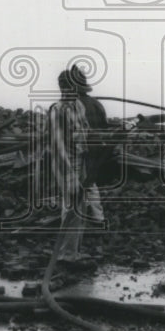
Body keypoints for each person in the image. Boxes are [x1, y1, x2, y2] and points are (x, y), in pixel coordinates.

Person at [48, 69, 93, 269]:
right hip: (66, 164)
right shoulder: (57, 110)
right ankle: (66, 255)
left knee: (80, 208)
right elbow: (58, 147)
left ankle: (73, 252)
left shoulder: (79, 106)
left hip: (81, 161)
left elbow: (87, 134)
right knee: (72, 206)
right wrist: (70, 176)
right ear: (65, 88)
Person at [65, 65, 108, 224]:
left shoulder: (69, 106)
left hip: (77, 150)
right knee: (90, 183)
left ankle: (73, 220)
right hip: (96, 149)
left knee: (73, 183)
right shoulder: (96, 104)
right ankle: (97, 218)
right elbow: (104, 127)